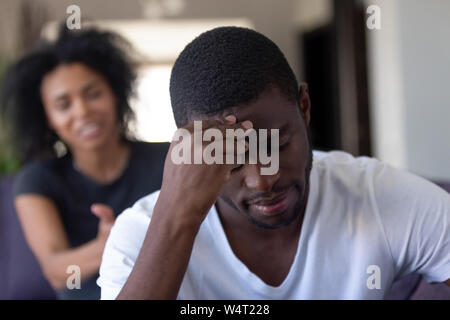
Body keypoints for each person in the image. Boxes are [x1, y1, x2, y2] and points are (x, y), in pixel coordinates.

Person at [97, 27, 450, 299]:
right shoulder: (142, 234)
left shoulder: (377, 195)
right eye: (231, 158)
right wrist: (176, 220)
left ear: (304, 106)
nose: (262, 180)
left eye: (277, 144)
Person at [1, 26, 169, 299]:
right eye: (63, 105)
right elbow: (55, 270)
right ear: (48, 119)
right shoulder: (37, 179)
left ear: (115, 94)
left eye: (93, 94)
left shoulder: (168, 159)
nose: (83, 111)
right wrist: (109, 245)